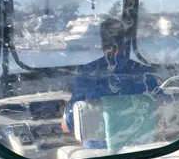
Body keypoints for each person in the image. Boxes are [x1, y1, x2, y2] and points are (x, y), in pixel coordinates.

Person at [62, 18, 160, 148]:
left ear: (103, 43)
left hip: (100, 147)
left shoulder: (89, 72)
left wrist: (67, 123)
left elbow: (72, 118)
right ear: (126, 43)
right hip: (140, 145)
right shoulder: (143, 71)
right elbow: (160, 104)